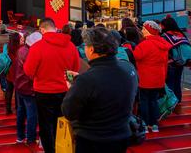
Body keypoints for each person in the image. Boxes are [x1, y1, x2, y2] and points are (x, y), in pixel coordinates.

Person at [61, 27, 138, 153]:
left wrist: (72, 89)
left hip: (93, 140)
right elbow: (109, 88)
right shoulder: (128, 70)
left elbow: (69, 112)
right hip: (121, 135)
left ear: (91, 49)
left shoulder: (87, 80)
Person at [24, 17, 81, 153]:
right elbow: (75, 69)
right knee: (61, 122)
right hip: (64, 91)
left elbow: (28, 71)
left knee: (45, 125)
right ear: (55, 28)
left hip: (43, 92)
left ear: (42, 30)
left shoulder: (37, 47)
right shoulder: (71, 46)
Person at [134, 20, 173, 132]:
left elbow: (135, 57)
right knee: (154, 101)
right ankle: (154, 124)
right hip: (159, 78)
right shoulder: (163, 44)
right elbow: (165, 63)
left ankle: (145, 124)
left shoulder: (144, 45)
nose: (142, 31)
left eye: (143, 29)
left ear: (148, 31)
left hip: (145, 78)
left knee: (144, 101)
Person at [13, 31, 40, 146]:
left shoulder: (21, 50)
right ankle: (31, 138)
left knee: (21, 112)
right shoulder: (31, 53)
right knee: (31, 114)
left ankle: (20, 136)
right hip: (29, 88)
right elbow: (31, 73)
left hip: (19, 86)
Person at [160, 16, 191, 105]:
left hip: (170, 63)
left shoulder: (165, 36)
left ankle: (171, 102)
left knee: (169, 83)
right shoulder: (181, 34)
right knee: (177, 81)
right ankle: (178, 99)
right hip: (180, 62)